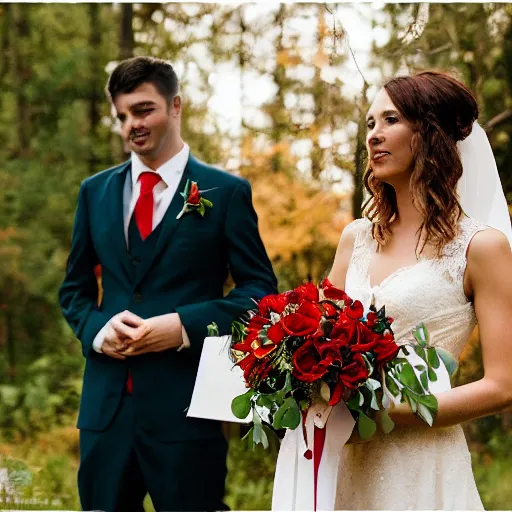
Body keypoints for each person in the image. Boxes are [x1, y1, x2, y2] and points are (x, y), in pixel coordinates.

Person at [272, 71, 512, 510]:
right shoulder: (356, 238)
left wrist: (395, 414)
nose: (373, 136)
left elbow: (503, 384)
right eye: (369, 124)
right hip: (343, 457)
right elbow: (314, 336)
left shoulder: (482, 247)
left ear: (431, 134)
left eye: (390, 120)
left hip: (421, 462)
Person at [59, 56, 277, 512]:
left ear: (175, 105)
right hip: (105, 415)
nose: (130, 126)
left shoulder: (225, 192)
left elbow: (260, 293)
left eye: (142, 110)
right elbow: (74, 291)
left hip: (188, 411)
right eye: (122, 116)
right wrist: (97, 332)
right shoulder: (93, 192)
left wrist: (182, 326)